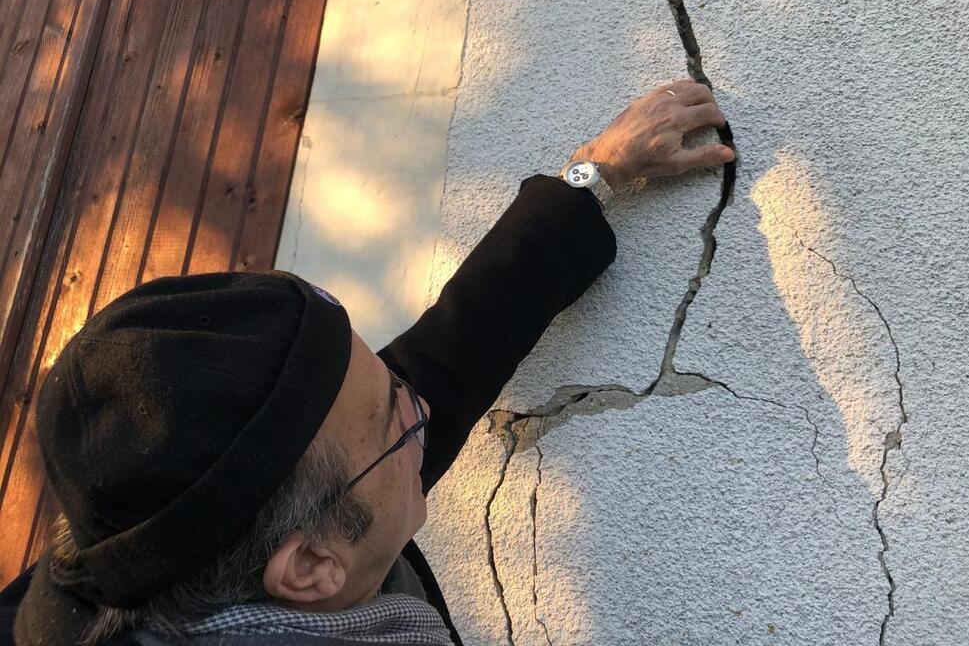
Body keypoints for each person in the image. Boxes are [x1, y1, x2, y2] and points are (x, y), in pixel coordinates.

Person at [0, 79, 733, 646]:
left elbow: (439, 365)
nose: (421, 407)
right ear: (313, 568)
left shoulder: (162, 550)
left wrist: (590, 177)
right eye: (393, 417)